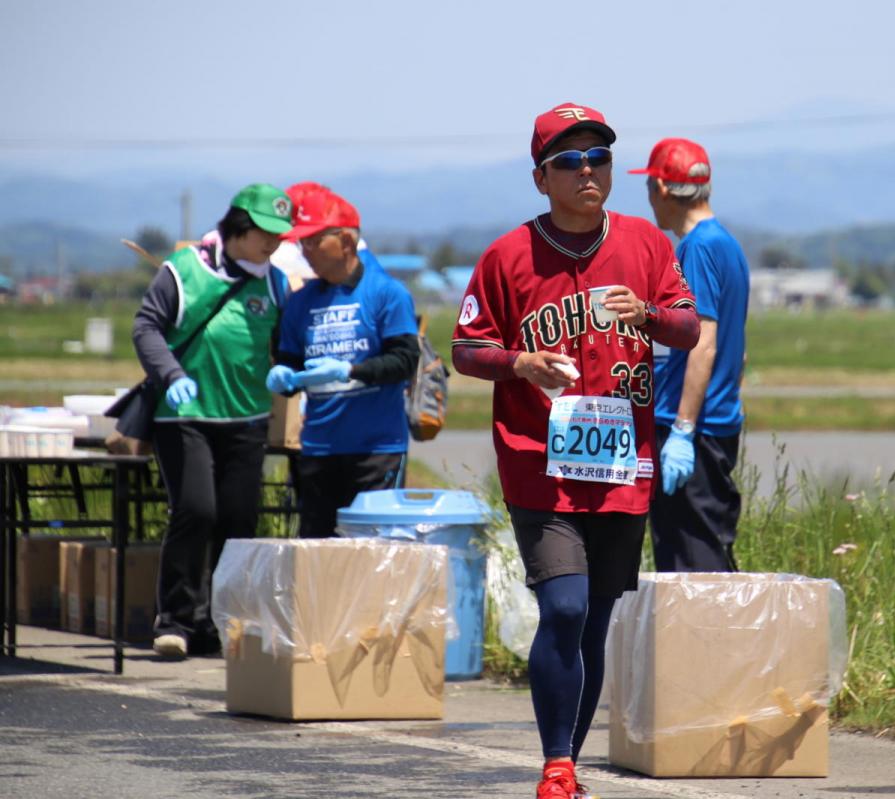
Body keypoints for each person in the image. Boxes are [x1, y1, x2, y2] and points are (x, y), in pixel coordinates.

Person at [451, 102, 699, 799]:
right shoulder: (507, 256)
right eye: (569, 160)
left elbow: (686, 326)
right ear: (541, 178)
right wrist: (520, 363)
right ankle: (555, 762)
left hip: (620, 465)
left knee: (595, 619)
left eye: (599, 157)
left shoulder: (648, 245)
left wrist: (647, 314)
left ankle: (570, 762)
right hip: (540, 461)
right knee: (562, 607)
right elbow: (466, 348)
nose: (588, 170)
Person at [132, 183, 294, 659]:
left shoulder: (276, 282)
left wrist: (286, 366)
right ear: (239, 227)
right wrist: (171, 373)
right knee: (196, 511)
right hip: (185, 416)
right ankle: (177, 620)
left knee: (239, 522)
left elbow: (282, 342)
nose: (274, 244)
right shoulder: (184, 271)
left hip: (247, 418)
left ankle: (226, 620)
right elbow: (146, 327)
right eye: (266, 233)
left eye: (281, 236)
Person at [267, 186, 420, 538]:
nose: (305, 251)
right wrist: (283, 375)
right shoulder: (300, 301)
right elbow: (290, 360)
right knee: (317, 550)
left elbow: (404, 361)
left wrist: (351, 371)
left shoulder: (386, 293)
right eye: (301, 243)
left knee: (374, 550)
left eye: (314, 241)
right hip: (318, 448)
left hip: (376, 451)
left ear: (346, 241)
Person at [630, 138, 749, 572]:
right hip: (716, 422)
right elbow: (741, 350)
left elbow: (704, 339)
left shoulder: (697, 248)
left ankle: (704, 644)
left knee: (694, 570)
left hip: (693, 432)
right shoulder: (727, 245)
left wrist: (682, 429)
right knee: (705, 555)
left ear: (662, 188)